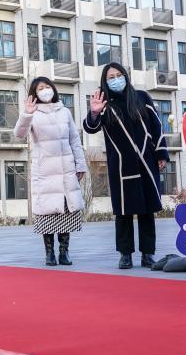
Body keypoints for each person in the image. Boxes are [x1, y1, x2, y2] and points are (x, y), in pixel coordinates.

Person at [83, 63, 169, 269]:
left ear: (125, 76)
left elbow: (156, 125)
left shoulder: (142, 98)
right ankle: (125, 254)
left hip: (146, 161)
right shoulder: (104, 104)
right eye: (111, 77)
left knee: (147, 210)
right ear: (105, 81)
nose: (116, 79)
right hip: (121, 164)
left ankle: (148, 254)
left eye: (118, 75)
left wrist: (161, 153)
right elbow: (91, 127)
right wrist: (94, 113)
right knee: (123, 211)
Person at [14, 77, 87, 266]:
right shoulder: (32, 113)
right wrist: (26, 114)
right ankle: (49, 253)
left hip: (65, 169)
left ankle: (64, 252)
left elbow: (74, 139)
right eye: (40, 88)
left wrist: (80, 164)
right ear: (34, 93)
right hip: (44, 171)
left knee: (66, 210)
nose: (45, 90)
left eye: (47, 86)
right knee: (47, 211)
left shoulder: (64, 112)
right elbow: (19, 135)